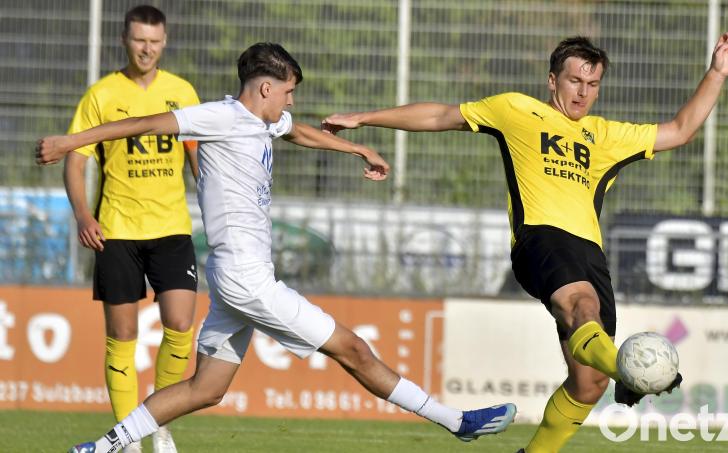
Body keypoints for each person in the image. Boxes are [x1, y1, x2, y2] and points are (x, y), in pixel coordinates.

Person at [37, 42, 516, 453]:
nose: (290, 100)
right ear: (265, 87)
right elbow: (142, 124)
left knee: (206, 389)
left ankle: (100, 447)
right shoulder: (219, 116)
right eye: (288, 91)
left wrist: (357, 149)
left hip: (234, 277)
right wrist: (70, 142)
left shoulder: (267, 121)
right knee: (353, 349)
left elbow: (299, 131)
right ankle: (457, 422)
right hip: (246, 278)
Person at [320, 33, 728, 453]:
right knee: (582, 308)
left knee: (588, 383)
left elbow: (681, 130)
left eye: (593, 84)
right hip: (540, 239)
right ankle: (630, 369)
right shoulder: (516, 110)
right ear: (552, 81)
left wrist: (717, 72)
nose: (583, 92)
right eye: (575, 80)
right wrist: (364, 118)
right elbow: (439, 115)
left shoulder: (608, 136)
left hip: (589, 255)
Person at [64, 5, 200, 453]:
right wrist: (84, 215)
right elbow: (75, 158)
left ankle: (159, 423)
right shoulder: (102, 94)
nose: (147, 48)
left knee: (180, 324)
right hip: (117, 230)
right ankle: (125, 437)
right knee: (122, 337)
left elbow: (202, 161)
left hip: (172, 229)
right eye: (140, 39)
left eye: (155, 41)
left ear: (165, 42)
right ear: (125, 39)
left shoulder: (182, 92)